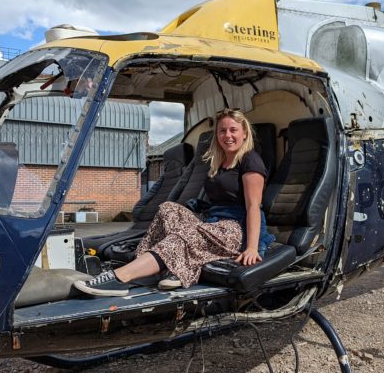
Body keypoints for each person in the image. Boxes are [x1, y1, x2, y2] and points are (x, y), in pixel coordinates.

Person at [74, 108, 274, 296]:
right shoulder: (219, 162)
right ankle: (157, 266)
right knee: (168, 209)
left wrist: (252, 248)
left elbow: (253, 207)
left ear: (245, 133)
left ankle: (120, 278)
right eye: (222, 131)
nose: (227, 136)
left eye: (233, 130)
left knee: (184, 236)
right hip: (214, 222)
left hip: (236, 229)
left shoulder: (250, 160)